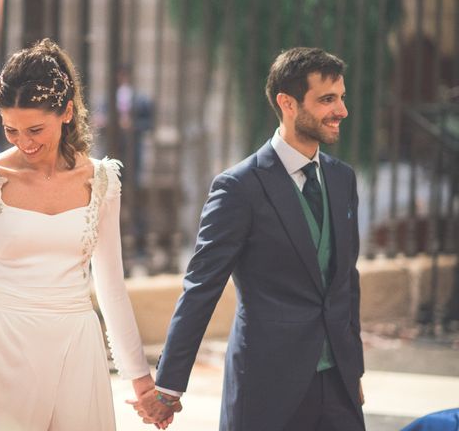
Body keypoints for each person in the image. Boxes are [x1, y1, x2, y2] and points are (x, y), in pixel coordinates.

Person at [0, 39, 173, 431]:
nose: (25, 142)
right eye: (11, 130)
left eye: (36, 129)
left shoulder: (102, 180)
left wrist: (140, 380)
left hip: (75, 348)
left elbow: (111, 288)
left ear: (67, 112)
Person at [130, 48, 365, 430]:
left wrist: (353, 371)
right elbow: (201, 286)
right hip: (266, 384)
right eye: (327, 99)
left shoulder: (342, 179)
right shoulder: (239, 187)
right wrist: (169, 387)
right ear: (287, 103)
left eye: (340, 97)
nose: (342, 110)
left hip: (338, 384)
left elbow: (345, 281)